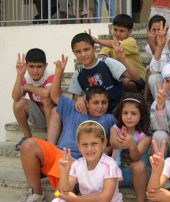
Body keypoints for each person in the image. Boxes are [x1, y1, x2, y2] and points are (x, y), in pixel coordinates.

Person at [19, 55, 116, 202]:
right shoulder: (74, 108)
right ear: (86, 102)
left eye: (104, 102)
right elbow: (55, 95)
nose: (101, 106)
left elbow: (112, 143)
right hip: (60, 154)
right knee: (28, 145)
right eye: (96, 102)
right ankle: (37, 194)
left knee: (65, 179)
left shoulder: (109, 119)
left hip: (81, 163)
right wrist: (59, 71)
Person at [52, 121, 122, 202]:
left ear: (104, 143)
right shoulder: (77, 164)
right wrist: (64, 173)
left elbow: (105, 198)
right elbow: (59, 193)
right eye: (84, 144)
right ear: (79, 146)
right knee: (57, 200)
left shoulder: (109, 165)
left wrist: (76, 199)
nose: (89, 149)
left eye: (94, 144)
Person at [110, 92, 152, 202]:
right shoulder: (115, 129)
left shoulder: (145, 135)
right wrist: (122, 140)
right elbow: (113, 143)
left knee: (138, 165)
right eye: (125, 113)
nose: (129, 117)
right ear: (120, 114)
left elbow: (136, 158)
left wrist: (132, 144)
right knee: (106, 167)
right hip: (120, 174)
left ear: (141, 115)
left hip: (139, 176)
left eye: (133, 113)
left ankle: (140, 200)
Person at [12, 48, 54, 150]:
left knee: (47, 99)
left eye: (39, 67)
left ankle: (50, 138)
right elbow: (15, 97)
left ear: (46, 66)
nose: (35, 71)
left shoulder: (51, 75)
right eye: (31, 66)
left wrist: (28, 87)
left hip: (54, 116)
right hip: (39, 115)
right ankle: (27, 137)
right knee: (17, 104)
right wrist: (19, 75)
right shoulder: (26, 77)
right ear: (26, 66)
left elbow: (46, 93)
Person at [93, 14, 146, 92]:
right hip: (120, 76)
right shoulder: (111, 44)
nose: (117, 33)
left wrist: (97, 41)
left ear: (129, 32)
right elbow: (101, 56)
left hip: (137, 78)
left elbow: (116, 45)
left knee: (124, 83)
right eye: (115, 29)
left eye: (121, 31)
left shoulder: (131, 41)